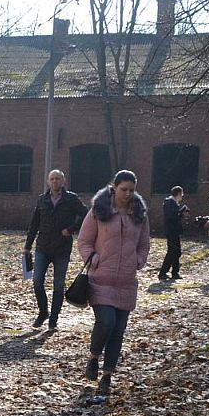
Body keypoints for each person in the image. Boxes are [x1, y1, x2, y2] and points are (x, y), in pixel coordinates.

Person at [78, 170, 150, 402]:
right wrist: (93, 258)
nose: (127, 194)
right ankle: (93, 356)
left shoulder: (139, 214)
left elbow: (144, 243)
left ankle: (107, 375)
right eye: (123, 189)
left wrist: (139, 259)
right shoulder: (99, 211)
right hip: (101, 278)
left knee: (118, 331)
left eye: (131, 190)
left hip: (127, 282)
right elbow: (84, 241)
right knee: (106, 322)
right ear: (114, 187)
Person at [24, 169, 85, 330]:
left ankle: (54, 319)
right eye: (52, 179)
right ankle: (43, 312)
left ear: (63, 181)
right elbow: (34, 224)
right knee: (37, 281)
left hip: (62, 249)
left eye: (58, 178)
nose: (55, 181)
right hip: (43, 247)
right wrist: (27, 246)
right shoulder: (42, 199)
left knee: (58, 285)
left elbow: (85, 215)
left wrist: (71, 229)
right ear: (48, 182)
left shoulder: (71, 199)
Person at [158, 186, 189, 280]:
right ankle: (163, 272)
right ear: (179, 194)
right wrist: (181, 212)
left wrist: (181, 213)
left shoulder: (173, 203)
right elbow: (171, 216)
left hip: (174, 230)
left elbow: (175, 216)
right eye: (182, 194)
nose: (182, 196)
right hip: (171, 231)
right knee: (172, 251)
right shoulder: (169, 202)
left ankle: (175, 272)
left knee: (176, 252)